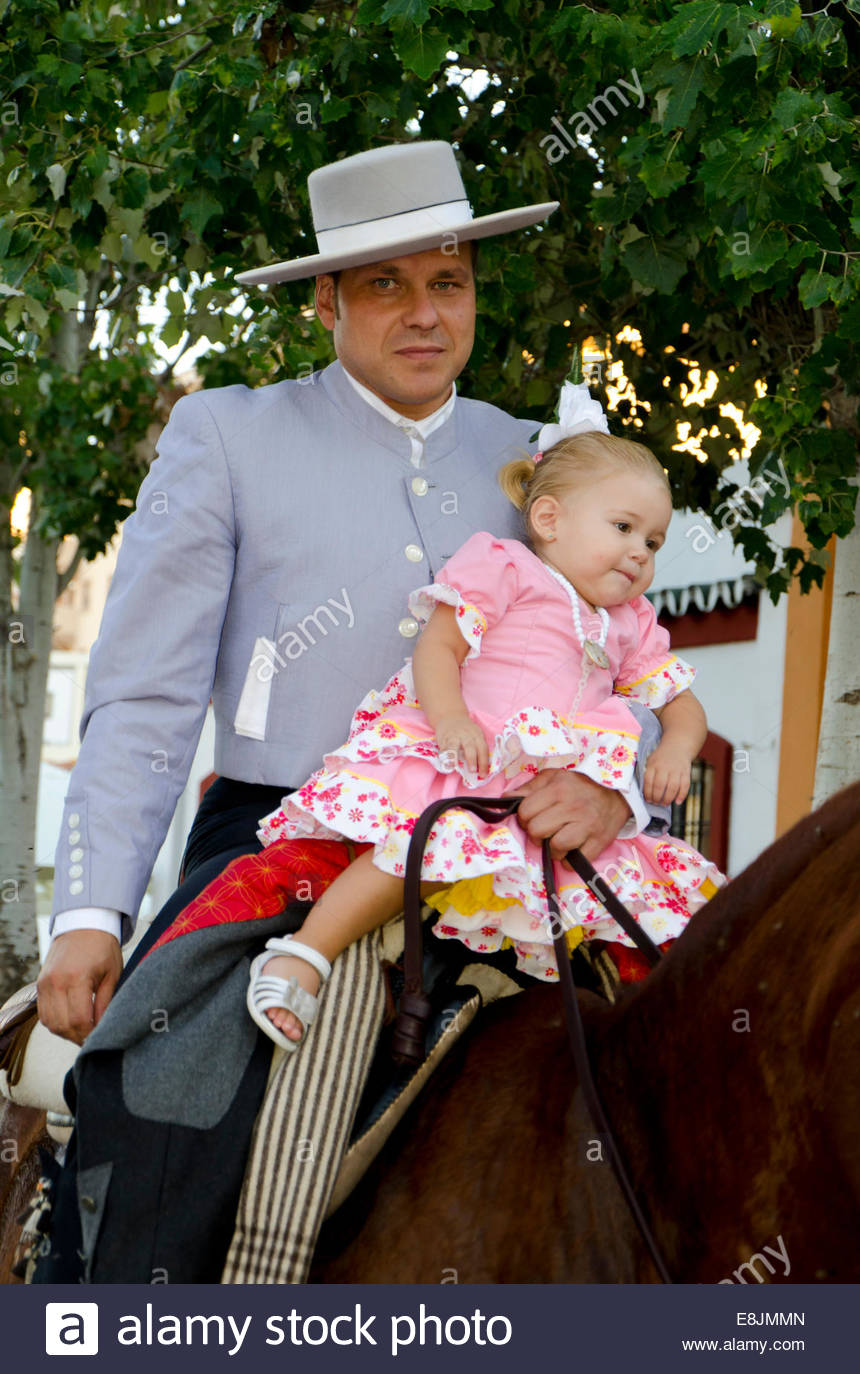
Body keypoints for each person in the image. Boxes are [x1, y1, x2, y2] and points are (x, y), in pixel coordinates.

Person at [32, 141, 670, 1283]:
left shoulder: (544, 461)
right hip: (289, 834)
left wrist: (609, 791)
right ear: (325, 297)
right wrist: (91, 909)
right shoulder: (229, 434)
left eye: (449, 281)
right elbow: (147, 696)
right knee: (161, 1100)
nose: (425, 313)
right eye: (386, 283)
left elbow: (620, 669)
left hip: (519, 848)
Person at [243, 389, 726, 1047]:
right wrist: (449, 721)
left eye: (654, 540)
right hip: (479, 755)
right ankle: (305, 953)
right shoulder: (507, 568)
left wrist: (674, 750)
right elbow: (439, 646)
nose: (641, 552)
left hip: (554, 794)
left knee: (617, 918)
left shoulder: (630, 623)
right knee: (417, 853)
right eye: (623, 528)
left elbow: (681, 704)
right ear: (550, 518)